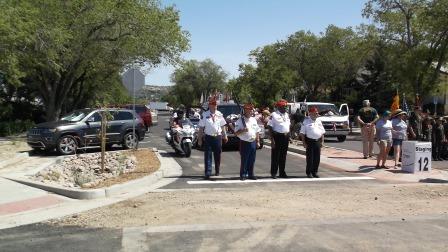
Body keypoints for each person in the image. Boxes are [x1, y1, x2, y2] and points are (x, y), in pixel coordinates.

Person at [197, 97, 228, 179]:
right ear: (210, 105)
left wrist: (225, 135)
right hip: (208, 137)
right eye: (213, 104)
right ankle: (208, 172)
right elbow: (201, 128)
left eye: (215, 105)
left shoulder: (219, 114)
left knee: (218, 155)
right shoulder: (205, 115)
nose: (215, 106)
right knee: (208, 155)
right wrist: (199, 139)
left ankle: (217, 170)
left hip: (217, 137)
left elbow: (223, 126)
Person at [235, 103, 261, 180]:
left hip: (253, 142)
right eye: (248, 110)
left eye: (250, 110)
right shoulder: (240, 120)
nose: (249, 111)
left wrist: (258, 140)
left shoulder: (253, 120)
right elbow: (236, 133)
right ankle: (243, 174)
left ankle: (251, 174)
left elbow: (257, 131)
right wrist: (243, 130)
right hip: (244, 142)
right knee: (244, 159)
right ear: (245, 110)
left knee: (252, 159)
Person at [300, 106, 326, 178]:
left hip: (317, 141)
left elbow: (322, 132)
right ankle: (309, 172)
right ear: (310, 114)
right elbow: (302, 133)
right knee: (310, 159)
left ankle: (315, 172)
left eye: (317, 113)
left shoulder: (319, 121)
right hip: (309, 141)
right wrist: (304, 143)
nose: (317, 114)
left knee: (317, 158)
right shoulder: (305, 121)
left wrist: (322, 142)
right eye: (315, 113)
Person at [268, 99, 291, 179]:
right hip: (277, 137)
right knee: (275, 156)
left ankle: (282, 172)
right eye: (283, 106)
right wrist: (272, 140)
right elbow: (270, 127)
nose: (285, 108)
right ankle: (273, 173)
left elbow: (288, 126)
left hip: (285, 137)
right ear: (279, 107)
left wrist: (289, 136)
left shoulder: (287, 115)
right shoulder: (273, 114)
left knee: (283, 156)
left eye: (285, 106)